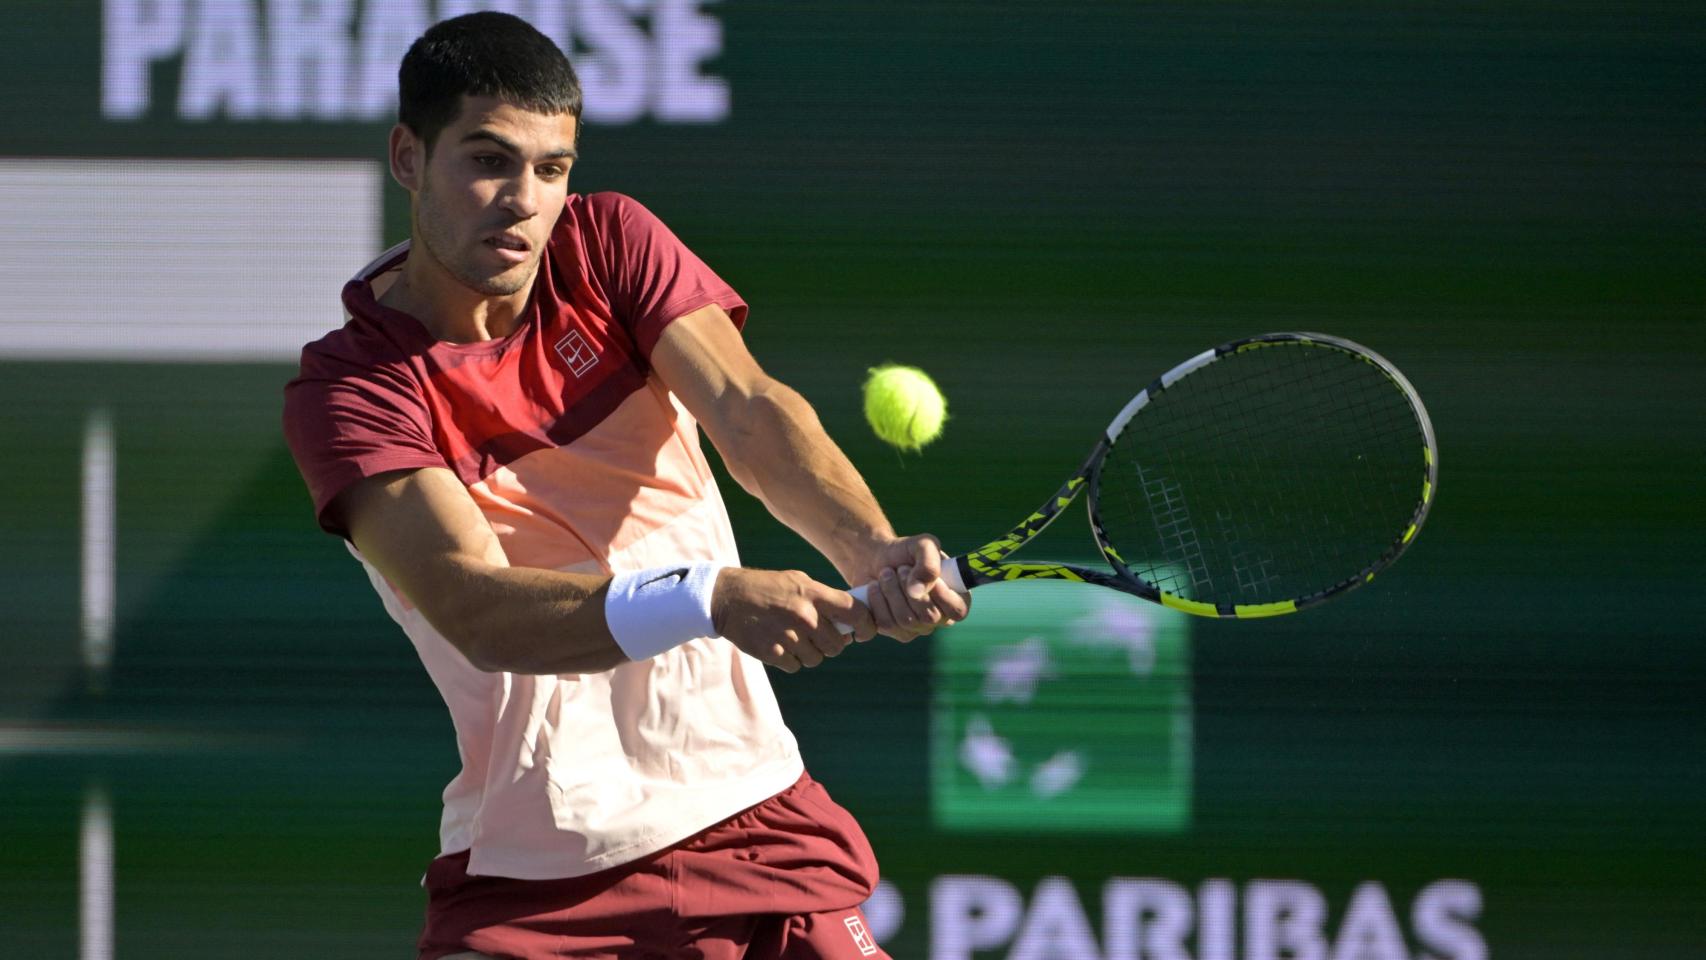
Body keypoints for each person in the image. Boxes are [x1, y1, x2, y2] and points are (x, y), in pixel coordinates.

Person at [281, 11, 968, 960]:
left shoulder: (607, 245)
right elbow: (476, 608)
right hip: (539, 875)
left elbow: (750, 411)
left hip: (754, 817)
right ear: (409, 156)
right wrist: (709, 598)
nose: (523, 200)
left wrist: (871, 549)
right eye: (488, 160)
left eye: (552, 169)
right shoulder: (350, 390)